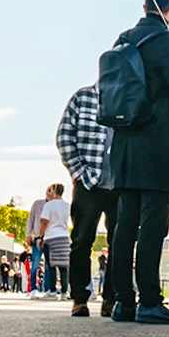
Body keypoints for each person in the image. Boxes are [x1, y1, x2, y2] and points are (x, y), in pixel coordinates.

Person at [105, 0, 169, 326]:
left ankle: (122, 301)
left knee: (124, 226)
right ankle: (149, 300)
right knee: (152, 226)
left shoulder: (123, 39)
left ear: (144, 6)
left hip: (125, 145)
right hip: (159, 147)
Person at [56, 78, 118, 317]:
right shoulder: (82, 98)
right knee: (82, 240)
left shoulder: (129, 98)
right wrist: (78, 172)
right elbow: (64, 136)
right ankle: (80, 298)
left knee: (119, 242)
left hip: (119, 184)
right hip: (88, 182)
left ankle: (112, 298)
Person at [38, 184, 71, 298]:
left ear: (54, 191)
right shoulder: (67, 205)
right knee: (63, 266)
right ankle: (64, 292)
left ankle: (52, 291)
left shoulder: (49, 205)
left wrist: (39, 236)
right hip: (64, 236)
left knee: (50, 265)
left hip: (51, 236)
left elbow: (45, 222)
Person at [24, 191, 48, 299]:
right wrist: (28, 234)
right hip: (38, 236)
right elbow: (31, 219)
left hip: (49, 237)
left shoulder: (52, 205)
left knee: (49, 266)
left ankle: (47, 289)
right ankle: (33, 288)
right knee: (35, 264)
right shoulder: (38, 204)